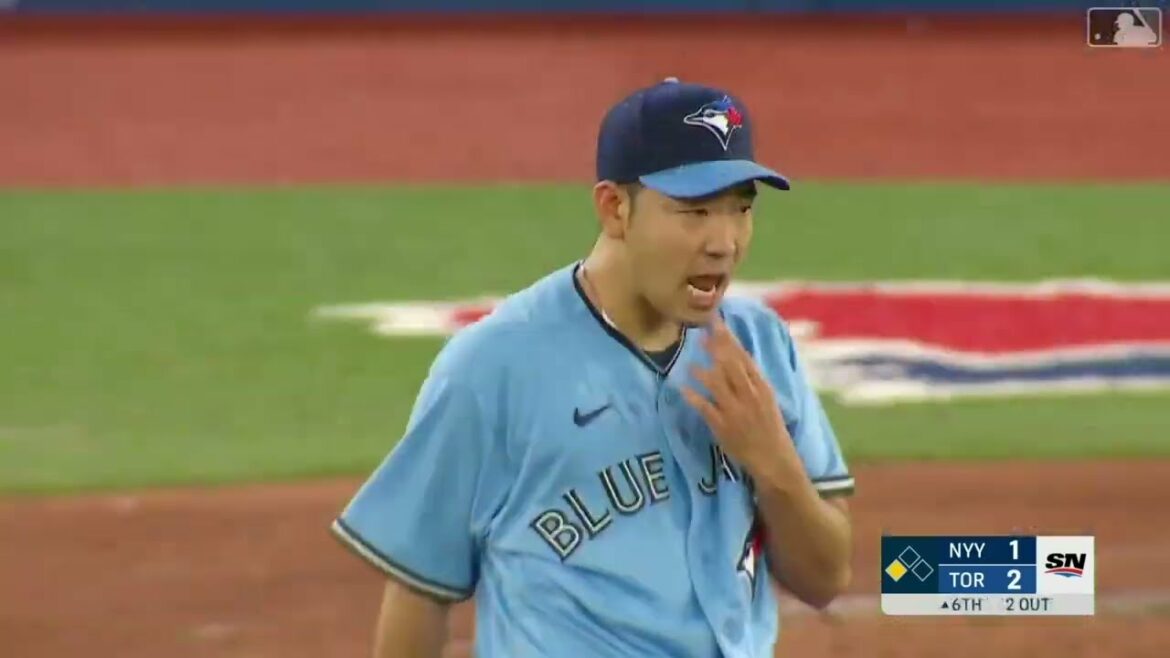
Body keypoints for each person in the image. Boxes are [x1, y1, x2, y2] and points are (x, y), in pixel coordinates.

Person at [330, 77, 855, 658]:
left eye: (741, 210)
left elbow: (824, 579)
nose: (724, 242)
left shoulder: (759, 344)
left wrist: (774, 463)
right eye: (695, 211)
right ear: (615, 208)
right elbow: (419, 593)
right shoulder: (494, 367)